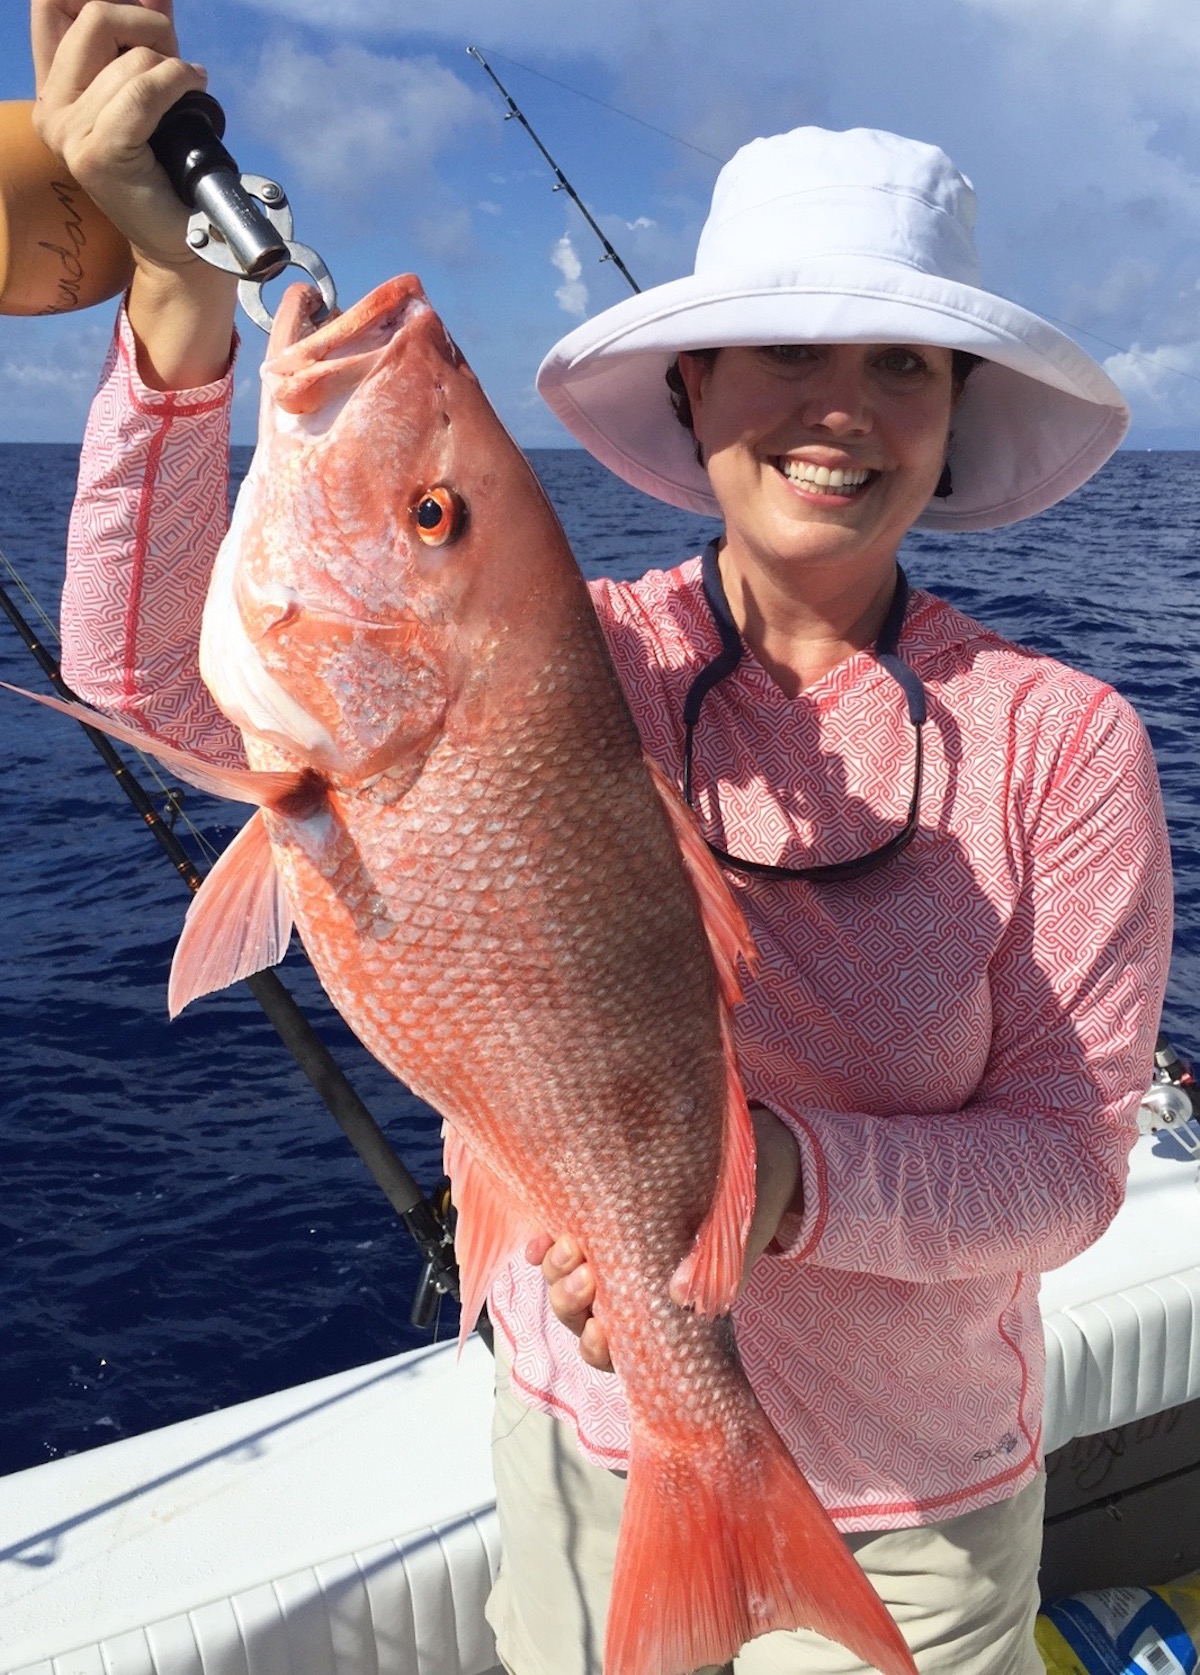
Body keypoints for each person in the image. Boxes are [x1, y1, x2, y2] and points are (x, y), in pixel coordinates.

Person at [32, 4, 1173, 1672]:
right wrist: (178, 294)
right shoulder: (586, 659)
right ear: (693, 385)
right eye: (788, 348)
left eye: (900, 363)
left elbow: (1072, 1164)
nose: (840, 408)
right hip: (577, 1452)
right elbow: (141, 683)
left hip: (912, 1510)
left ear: (955, 409)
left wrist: (775, 1183)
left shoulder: (1060, 741)